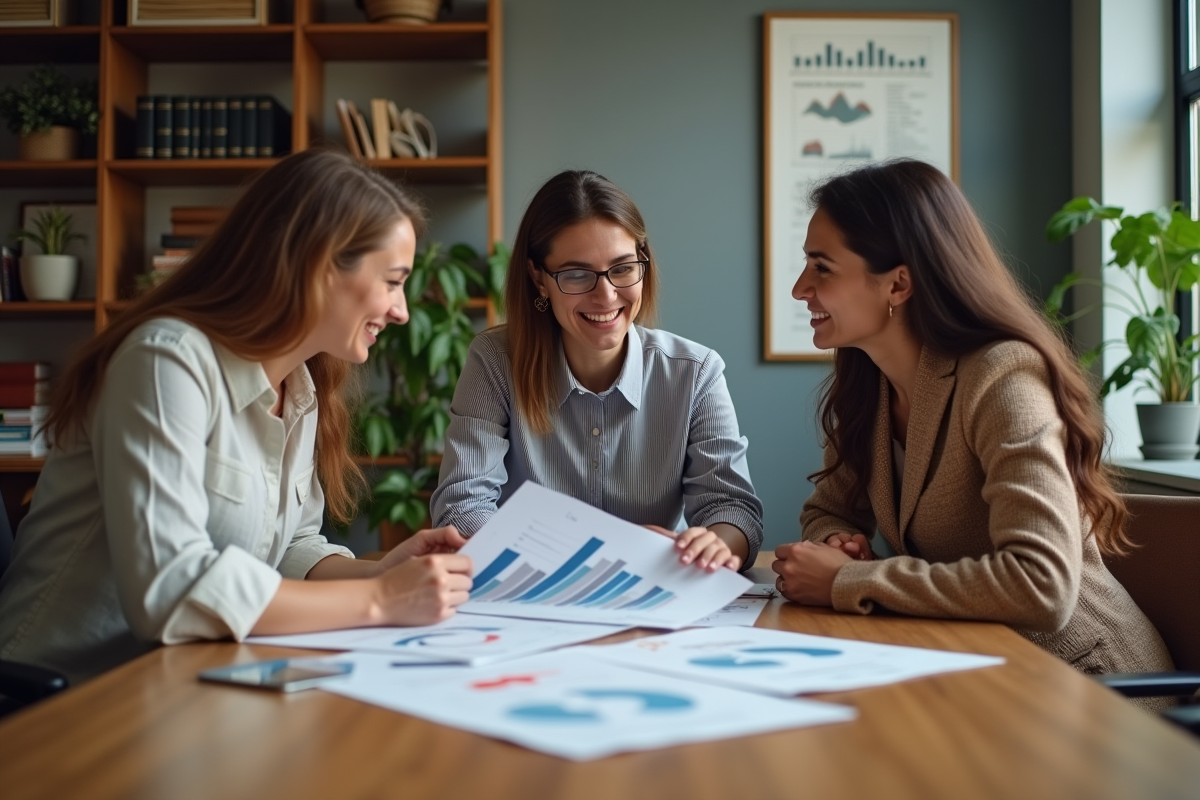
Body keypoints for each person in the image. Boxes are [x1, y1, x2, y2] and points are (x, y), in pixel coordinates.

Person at [0, 149, 473, 685]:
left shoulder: (300, 389)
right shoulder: (166, 362)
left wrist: (380, 571)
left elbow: (288, 547)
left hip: (178, 683)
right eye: (392, 280)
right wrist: (379, 599)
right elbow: (170, 592)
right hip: (57, 700)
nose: (402, 310)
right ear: (318, 265)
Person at [772, 159, 1172, 682]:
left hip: (1090, 682)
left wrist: (851, 578)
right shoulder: (868, 382)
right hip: (981, 663)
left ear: (897, 286)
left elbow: (1041, 585)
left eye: (821, 267)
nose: (801, 288)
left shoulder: (1003, 377)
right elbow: (829, 509)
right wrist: (835, 542)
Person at [431, 170, 763, 572]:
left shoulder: (696, 373)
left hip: (654, 595)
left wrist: (711, 546)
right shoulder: (495, 361)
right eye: (576, 275)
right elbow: (461, 508)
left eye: (622, 269)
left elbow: (734, 510)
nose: (605, 295)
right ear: (539, 278)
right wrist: (583, 559)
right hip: (529, 592)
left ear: (643, 262)